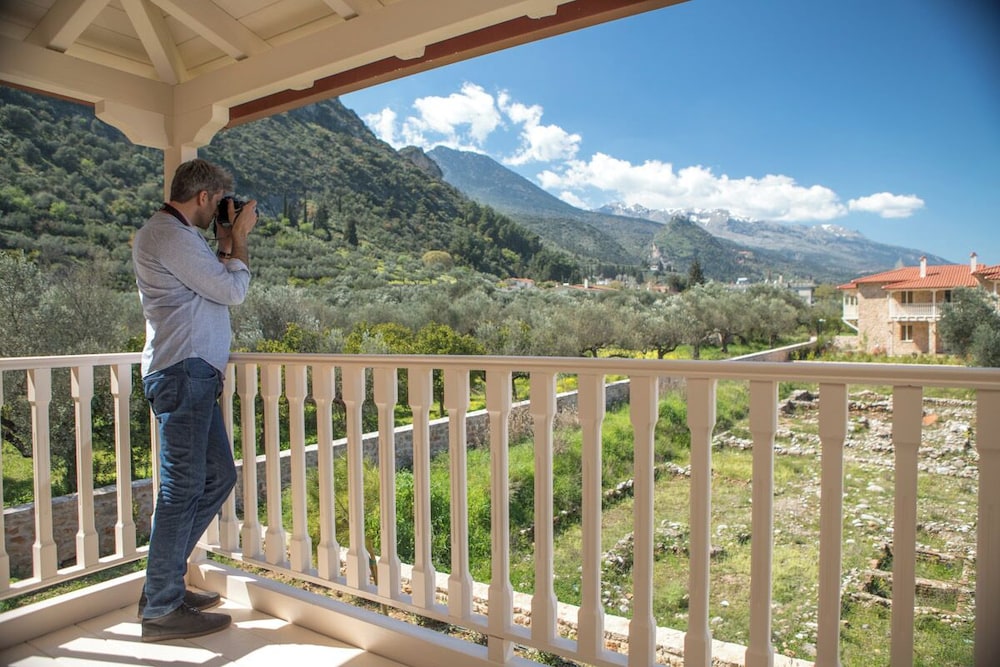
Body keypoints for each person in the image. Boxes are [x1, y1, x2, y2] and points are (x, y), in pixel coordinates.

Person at [132, 158, 258, 642]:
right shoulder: (170, 235)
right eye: (219, 202)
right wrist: (240, 239)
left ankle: (161, 586)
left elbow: (208, 288)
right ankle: (161, 607)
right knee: (181, 488)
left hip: (192, 374)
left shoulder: (181, 237)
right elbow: (232, 291)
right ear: (204, 196)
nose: (221, 211)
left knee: (217, 476)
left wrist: (224, 243)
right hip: (183, 373)